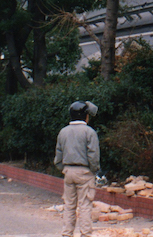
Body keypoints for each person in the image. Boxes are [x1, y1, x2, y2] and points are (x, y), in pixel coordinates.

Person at [55, 101, 100, 237]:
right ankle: (85, 234)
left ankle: (67, 233)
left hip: (68, 171)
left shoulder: (63, 132)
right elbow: (93, 155)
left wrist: (64, 168)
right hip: (85, 172)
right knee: (85, 205)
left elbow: (58, 156)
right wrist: (94, 170)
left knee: (69, 205)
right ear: (85, 116)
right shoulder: (89, 132)